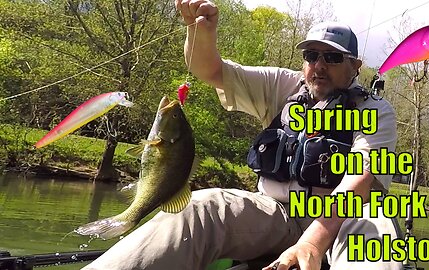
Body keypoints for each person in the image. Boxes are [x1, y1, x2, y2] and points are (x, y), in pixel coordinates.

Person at [82, 1, 402, 269]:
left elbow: (359, 180)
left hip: (342, 224)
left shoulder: (376, 110)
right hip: (275, 216)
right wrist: (201, 32)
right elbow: (208, 69)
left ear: (355, 65)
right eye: (311, 56)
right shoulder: (283, 86)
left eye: (332, 57)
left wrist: (311, 244)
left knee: (378, 232)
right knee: (203, 205)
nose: (319, 65)